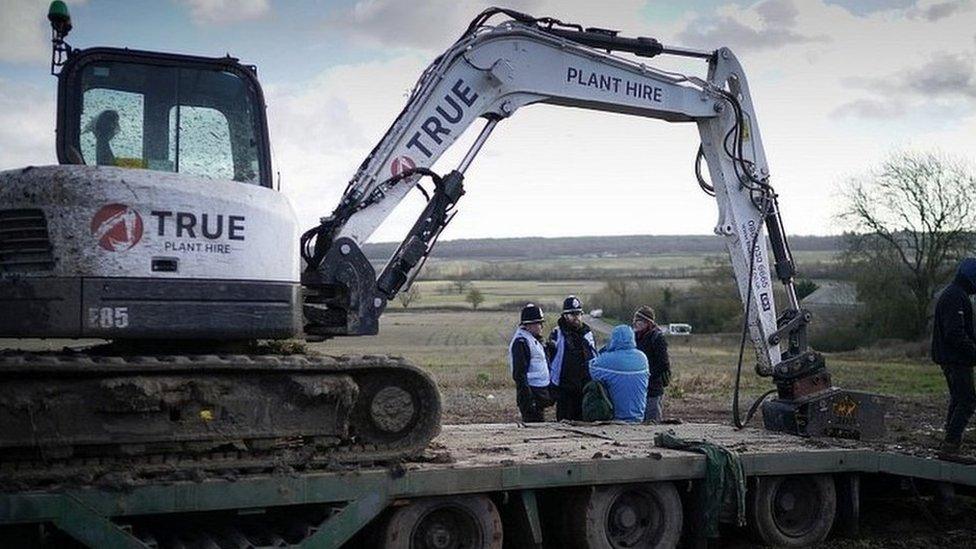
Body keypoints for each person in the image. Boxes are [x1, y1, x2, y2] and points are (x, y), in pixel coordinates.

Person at [931, 258, 976, 457]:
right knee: (967, 401)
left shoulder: (955, 294)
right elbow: (955, 334)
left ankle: (950, 440)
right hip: (955, 359)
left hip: (952, 358)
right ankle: (950, 445)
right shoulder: (955, 297)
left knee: (959, 399)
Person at [547, 295, 597, 421]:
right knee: (564, 422)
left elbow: (594, 355)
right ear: (565, 316)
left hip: (584, 386)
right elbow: (549, 359)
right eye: (572, 315)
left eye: (578, 314)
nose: (576, 318)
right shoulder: (557, 333)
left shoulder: (587, 333)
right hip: (565, 388)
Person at [588, 325, 648, 423]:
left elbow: (591, 368)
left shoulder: (606, 359)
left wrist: (605, 350)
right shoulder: (642, 358)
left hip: (615, 417)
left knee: (592, 386)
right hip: (638, 416)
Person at [509, 303, 554, 423]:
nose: (541, 327)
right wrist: (528, 399)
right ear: (529, 325)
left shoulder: (532, 340)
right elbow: (520, 373)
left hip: (537, 393)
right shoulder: (521, 342)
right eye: (539, 323)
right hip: (531, 394)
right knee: (535, 428)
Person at [633, 306, 671, 423]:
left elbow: (663, 363)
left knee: (653, 421)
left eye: (638, 321)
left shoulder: (657, 338)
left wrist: (648, 375)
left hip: (653, 388)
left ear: (647, 322)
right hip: (640, 388)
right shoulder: (635, 337)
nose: (635, 323)